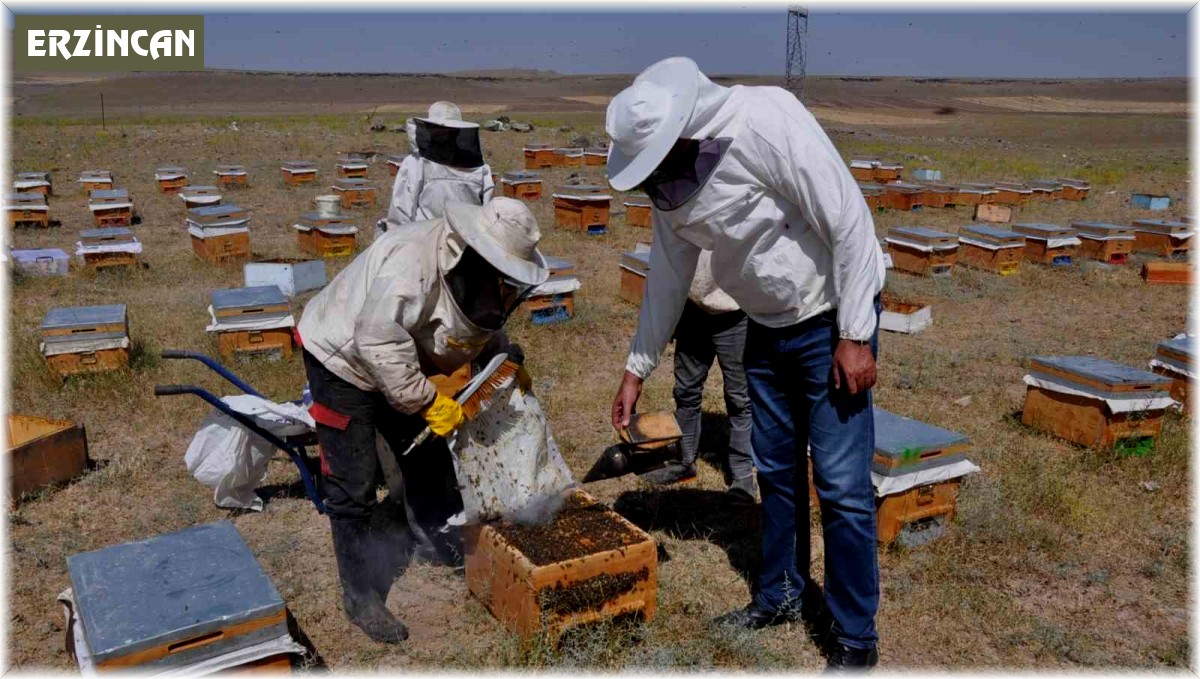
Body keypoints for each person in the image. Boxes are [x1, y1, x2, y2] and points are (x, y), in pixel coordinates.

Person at [605, 57, 886, 671]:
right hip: (764, 328)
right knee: (777, 476)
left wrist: (856, 334)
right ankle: (780, 594)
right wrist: (636, 367)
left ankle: (855, 641)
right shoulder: (670, 183)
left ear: (681, 131)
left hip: (828, 321)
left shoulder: (766, 119)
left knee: (840, 488)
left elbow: (849, 220)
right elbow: (667, 279)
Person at [298, 197, 548, 644]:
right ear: (474, 254)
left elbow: (482, 321)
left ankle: (434, 539)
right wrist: (427, 400)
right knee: (352, 483)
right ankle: (360, 597)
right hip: (342, 358)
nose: (504, 287)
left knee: (426, 455)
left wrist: (503, 359)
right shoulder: (413, 262)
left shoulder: (478, 272)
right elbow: (375, 338)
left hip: (400, 357)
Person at [641, 250, 755, 502]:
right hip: (691, 306)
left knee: (739, 397)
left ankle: (742, 475)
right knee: (686, 390)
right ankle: (684, 460)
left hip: (736, 311)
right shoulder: (678, 211)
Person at [376, 101, 495, 237]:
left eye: (448, 130)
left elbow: (487, 211)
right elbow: (401, 211)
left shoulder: (479, 167)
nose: (444, 133)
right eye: (440, 129)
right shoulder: (417, 163)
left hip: (467, 239)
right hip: (426, 240)